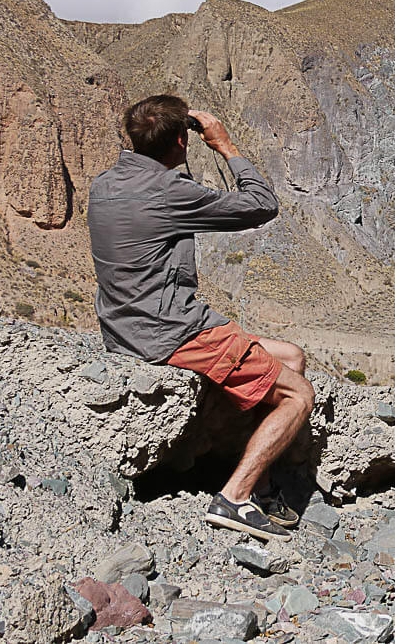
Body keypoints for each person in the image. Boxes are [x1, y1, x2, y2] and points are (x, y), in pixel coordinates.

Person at [88, 94, 315, 541]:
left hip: (123, 326)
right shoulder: (168, 192)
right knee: (299, 395)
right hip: (173, 332)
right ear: (180, 138)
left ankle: (262, 482)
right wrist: (225, 146)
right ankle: (235, 497)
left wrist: (173, 153)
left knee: (291, 355)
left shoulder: (105, 183)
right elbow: (260, 204)